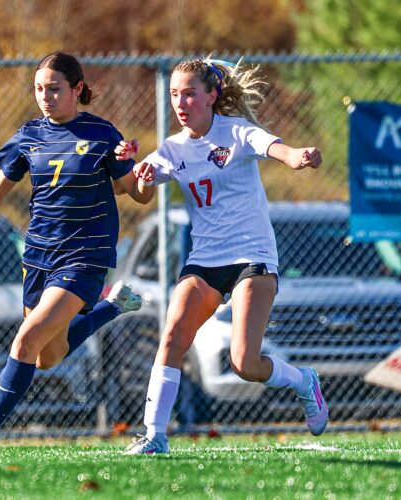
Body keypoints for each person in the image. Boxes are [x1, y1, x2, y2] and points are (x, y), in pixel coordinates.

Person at [0, 52, 154, 458]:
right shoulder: (29, 135)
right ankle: (113, 307)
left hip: (84, 255)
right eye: (38, 89)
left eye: (54, 89)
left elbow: (138, 194)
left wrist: (140, 173)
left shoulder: (102, 134)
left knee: (27, 339)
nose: (45, 97)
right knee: (47, 356)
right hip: (38, 258)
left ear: (77, 89)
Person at [114, 58, 327, 455]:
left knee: (245, 363)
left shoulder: (237, 131)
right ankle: (155, 436)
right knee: (172, 336)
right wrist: (130, 169)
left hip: (252, 255)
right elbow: (137, 193)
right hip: (206, 260)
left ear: (212, 95)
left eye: (190, 93)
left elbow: (277, 149)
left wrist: (297, 156)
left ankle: (304, 381)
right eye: (174, 94)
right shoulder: (173, 148)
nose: (181, 102)